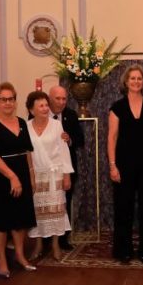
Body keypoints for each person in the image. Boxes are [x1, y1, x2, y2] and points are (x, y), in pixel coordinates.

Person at [108, 64, 143, 264]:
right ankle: (123, 250)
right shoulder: (117, 107)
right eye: (132, 78)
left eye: (139, 78)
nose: (136, 81)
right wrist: (112, 165)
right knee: (123, 208)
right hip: (123, 164)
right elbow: (112, 137)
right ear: (126, 82)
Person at [0, 82, 37, 277]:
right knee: (2, 221)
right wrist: (12, 177)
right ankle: (2, 259)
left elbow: (27, 151)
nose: (8, 103)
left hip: (22, 172)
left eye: (11, 99)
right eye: (3, 99)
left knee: (21, 218)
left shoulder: (22, 122)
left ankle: (20, 256)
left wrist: (31, 176)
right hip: (2, 175)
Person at [25, 91, 74, 261]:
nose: (45, 108)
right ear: (32, 110)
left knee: (56, 210)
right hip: (36, 175)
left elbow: (63, 150)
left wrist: (66, 175)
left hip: (55, 174)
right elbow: (26, 153)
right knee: (38, 211)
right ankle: (38, 244)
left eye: (46, 105)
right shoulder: (26, 126)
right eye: (41, 106)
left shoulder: (56, 125)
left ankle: (55, 245)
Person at [48, 85, 84, 251]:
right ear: (49, 98)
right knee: (46, 203)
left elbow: (80, 140)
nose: (61, 102)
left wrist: (69, 140)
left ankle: (63, 238)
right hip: (46, 167)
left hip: (66, 168)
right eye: (58, 98)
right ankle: (46, 239)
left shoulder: (71, 115)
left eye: (64, 99)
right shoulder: (40, 114)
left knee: (65, 202)